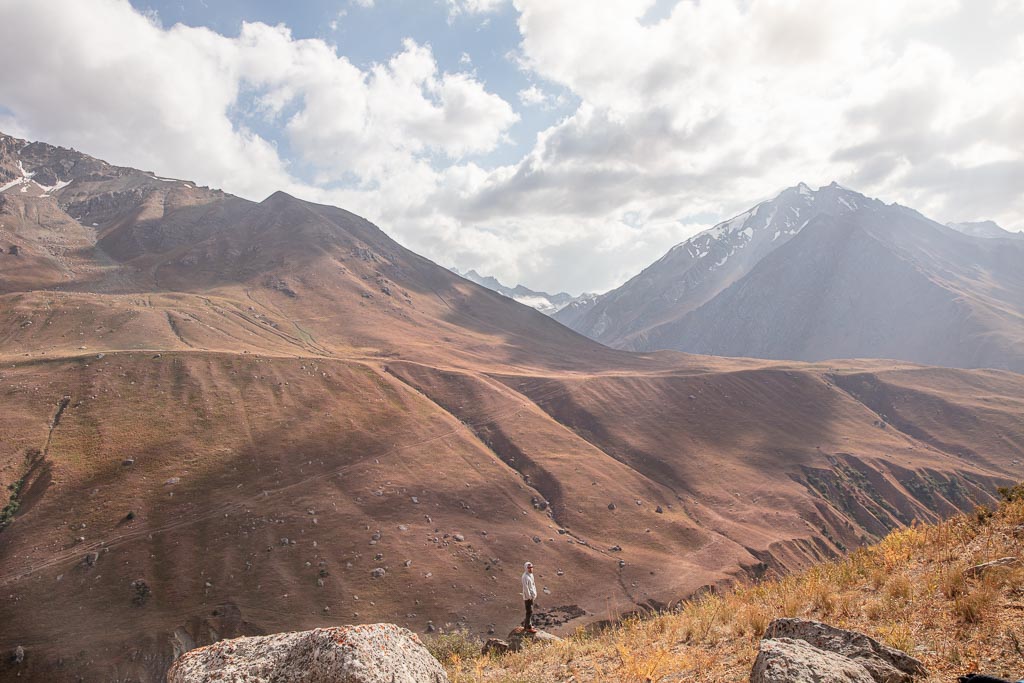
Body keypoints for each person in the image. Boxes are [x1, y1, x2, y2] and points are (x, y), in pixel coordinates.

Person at [521, 561, 538, 633]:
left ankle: (527, 625)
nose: (530, 569)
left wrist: (534, 594)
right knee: (529, 611)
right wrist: (529, 596)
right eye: (529, 568)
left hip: (532, 596)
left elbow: (533, 585)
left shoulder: (531, 575)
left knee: (530, 611)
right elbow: (526, 588)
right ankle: (528, 627)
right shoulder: (525, 577)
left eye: (531, 567)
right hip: (528, 597)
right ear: (526, 568)